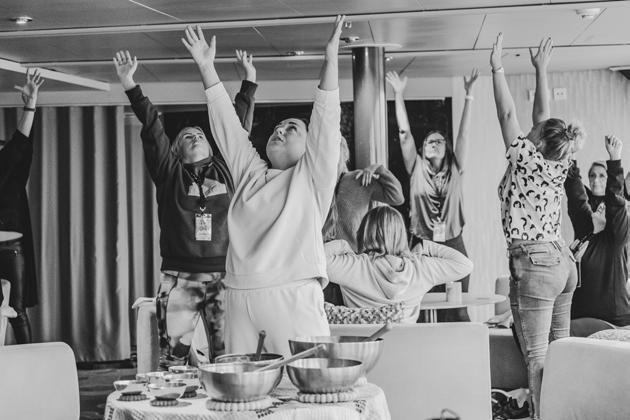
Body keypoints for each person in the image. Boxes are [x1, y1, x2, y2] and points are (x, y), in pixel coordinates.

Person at [184, 16, 345, 356]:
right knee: (243, 384)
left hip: (292, 295)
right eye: (278, 127)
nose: (280, 130)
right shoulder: (251, 173)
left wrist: (331, 61)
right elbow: (228, 128)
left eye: (292, 129)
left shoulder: (312, 178)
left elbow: (326, 122)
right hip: (239, 296)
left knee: (304, 380)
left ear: (309, 147)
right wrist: (206, 68)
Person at [113, 50, 256, 366]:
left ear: (210, 146)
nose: (194, 136)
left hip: (226, 275)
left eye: (200, 134)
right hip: (179, 277)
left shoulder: (226, 168)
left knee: (228, 358)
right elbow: (153, 127)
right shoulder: (169, 173)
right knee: (173, 359)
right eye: (187, 136)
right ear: (176, 150)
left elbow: (235, 129)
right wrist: (130, 85)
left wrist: (249, 83)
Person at [492, 34, 583, 419]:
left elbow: (506, 115)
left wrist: (497, 68)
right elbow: (543, 118)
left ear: (538, 142)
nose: (530, 130)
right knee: (561, 349)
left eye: (536, 132)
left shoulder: (526, 157)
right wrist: (541, 69)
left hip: (537, 263)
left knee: (539, 357)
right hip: (562, 262)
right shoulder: (561, 160)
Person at [386, 68, 478, 322]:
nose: (433, 143)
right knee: (422, 308)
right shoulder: (416, 169)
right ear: (422, 149)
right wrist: (398, 95)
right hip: (423, 245)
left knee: (458, 308)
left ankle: (461, 345)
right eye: (428, 141)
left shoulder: (456, 168)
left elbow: (464, 133)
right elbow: (405, 134)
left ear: (447, 147)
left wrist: (469, 95)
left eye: (438, 141)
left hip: (453, 242)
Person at [324, 206, 473, 323]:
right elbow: (464, 264)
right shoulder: (420, 268)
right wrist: (425, 246)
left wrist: (343, 245)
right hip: (406, 348)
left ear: (363, 232)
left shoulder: (353, 266)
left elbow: (315, 259)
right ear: (402, 235)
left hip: (365, 347)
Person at [565, 136, 630, 327]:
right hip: (579, 314)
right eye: (592, 175)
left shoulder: (618, 235)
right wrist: (571, 153)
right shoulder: (585, 227)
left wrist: (615, 159)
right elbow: (575, 194)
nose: (595, 180)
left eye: (601, 176)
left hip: (615, 317)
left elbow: (616, 202)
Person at [0, 69, 45, 344]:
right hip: (10, 247)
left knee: (16, 310)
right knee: (12, 311)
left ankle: (28, 359)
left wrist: (30, 105)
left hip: (10, 247)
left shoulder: (11, 172)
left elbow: (20, 145)